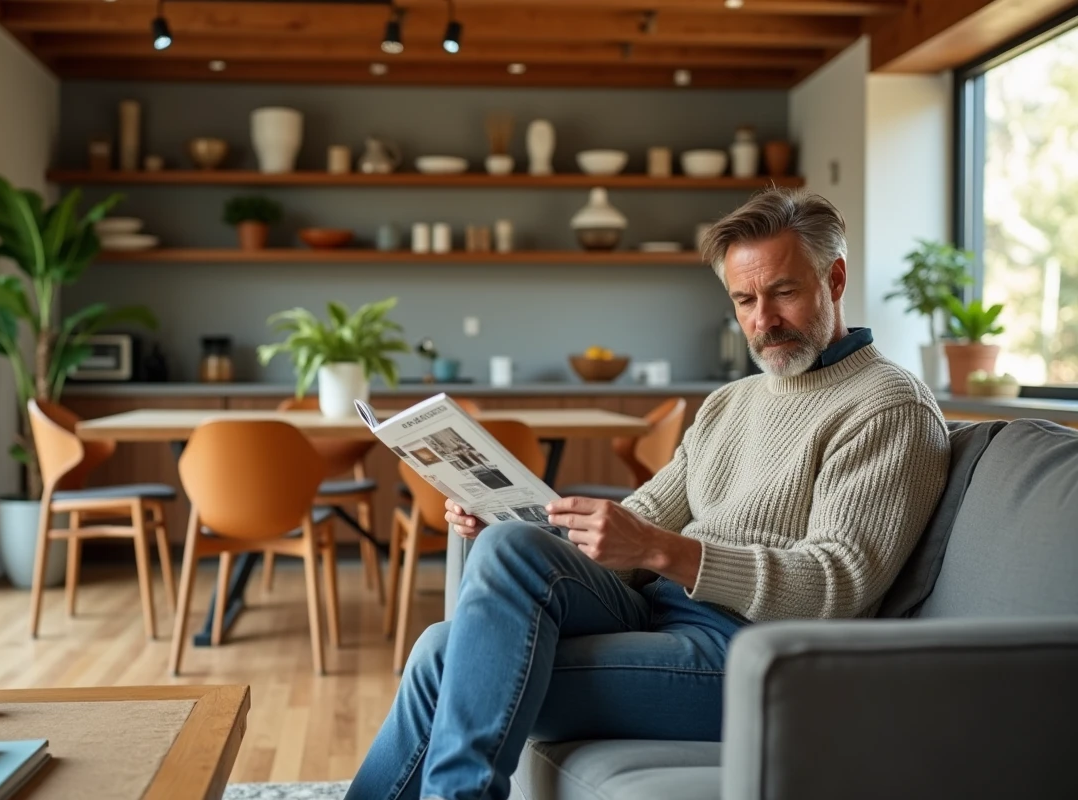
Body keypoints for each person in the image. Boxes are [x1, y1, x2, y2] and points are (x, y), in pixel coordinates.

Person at [346, 187, 951, 800]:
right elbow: (642, 518)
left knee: (447, 659)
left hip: (751, 657)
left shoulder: (887, 405)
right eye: (744, 299)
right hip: (659, 613)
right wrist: (512, 519)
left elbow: (837, 584)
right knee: (499, 559)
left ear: (835, 277)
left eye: (783, 293)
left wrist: (665, 553)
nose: (763, 320)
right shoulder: (729, 404)